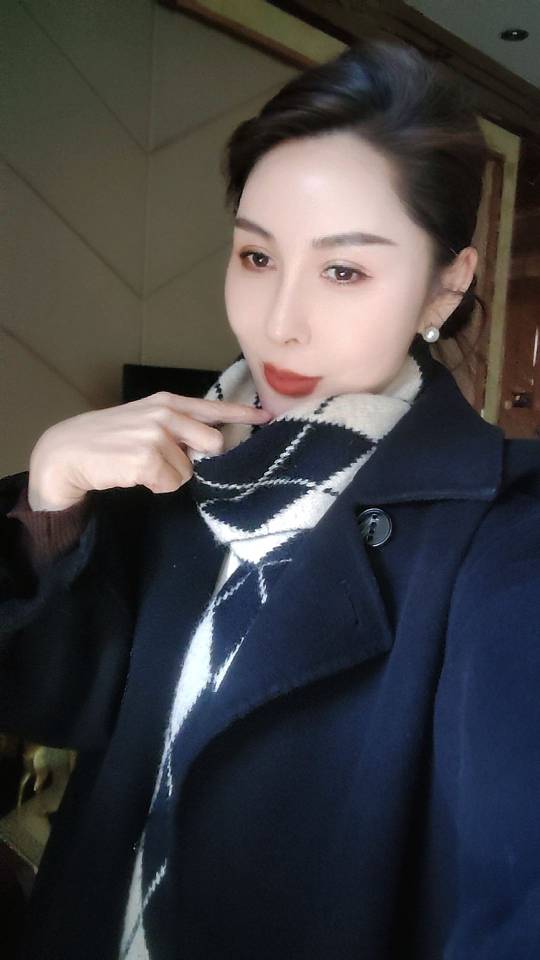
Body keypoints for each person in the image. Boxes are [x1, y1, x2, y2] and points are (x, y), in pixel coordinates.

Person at [1, 36, 539, 960]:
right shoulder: (181, 471)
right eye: (256, 256)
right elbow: (49, 700)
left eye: (344, 270)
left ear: (445, 287)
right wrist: (54, 493)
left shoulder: (500, 530)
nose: (278, 323)